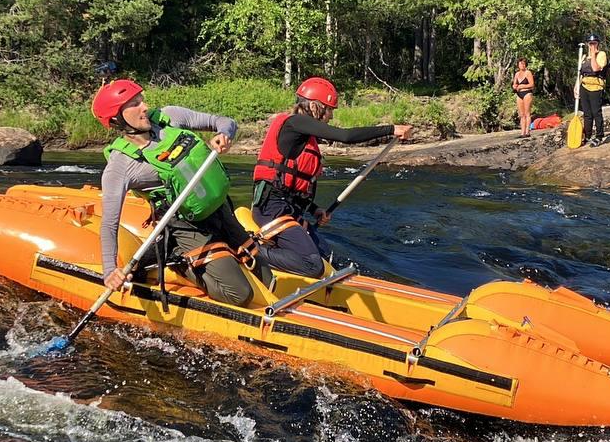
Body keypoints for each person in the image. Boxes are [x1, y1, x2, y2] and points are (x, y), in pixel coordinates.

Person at [92, 79, 274, 306]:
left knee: (267, 278)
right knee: (240, 293)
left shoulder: (170, 118)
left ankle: (221, 256)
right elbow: (109, 224)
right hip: (187, 229)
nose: (145, 106)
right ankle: (177, 261)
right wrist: (110, 270)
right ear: (117, 119)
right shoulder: (120, 166)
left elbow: (224, 121)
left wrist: (223, 134)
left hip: (220, 212)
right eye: (135, 104)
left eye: (142, 99)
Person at [253, 77, 412, 277]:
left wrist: (314, 209)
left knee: (328, 257)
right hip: (271, 210)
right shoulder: (296, 122)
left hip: (288, 209)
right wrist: (390, 129)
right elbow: (345, 136)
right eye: (329, 110)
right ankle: (251, 250)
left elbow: (291, 189)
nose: (331, 116)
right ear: (313, 106)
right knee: (312, 265)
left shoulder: (303, 133)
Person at [578, 34, 608, 146]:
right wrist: (577, 85)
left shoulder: (601, 55)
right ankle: (588, 135)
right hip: (584, 85)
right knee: (587, 113)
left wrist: (593, 55)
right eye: (590, 43)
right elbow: (580, 73)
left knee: (596, 112)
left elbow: (595, 68)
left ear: (598, 44)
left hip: (596, 86)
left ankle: (599, 136)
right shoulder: (584, 56)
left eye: (594, 43)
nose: (592, 45)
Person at [512, 58, 536, 137]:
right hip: (519, 94)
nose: (522, 65)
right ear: (518, 65)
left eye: (523, 64)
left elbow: (532, 85)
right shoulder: (517, 74)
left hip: (527, 93)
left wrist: (522, 86)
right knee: (521, 115)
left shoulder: (528, 73)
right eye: (520, 64)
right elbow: (514, 84)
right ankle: (522, 132)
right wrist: (515, 86)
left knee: (527, 113)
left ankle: (527, 132)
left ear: (525, 65)